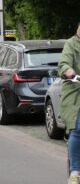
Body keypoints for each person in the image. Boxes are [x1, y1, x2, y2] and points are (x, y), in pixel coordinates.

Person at [58, 24, 80, 184]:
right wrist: (69, 71)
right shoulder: (71, 44)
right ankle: (75, 171)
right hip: (75, 93)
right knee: (78, 128)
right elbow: (63, 63)